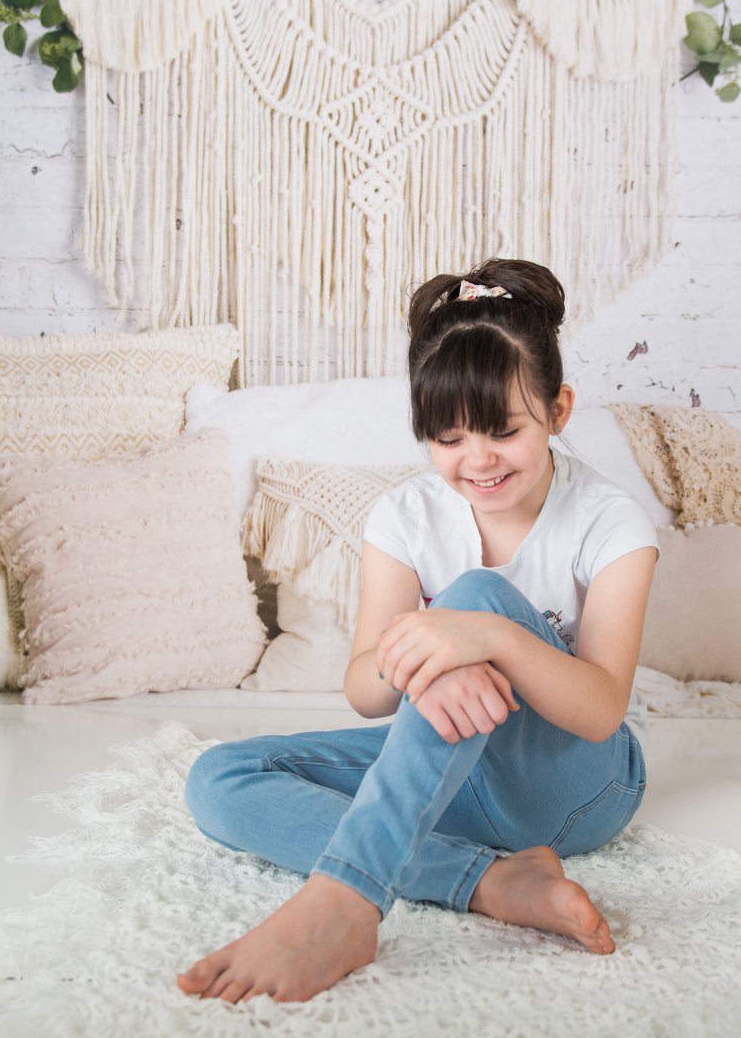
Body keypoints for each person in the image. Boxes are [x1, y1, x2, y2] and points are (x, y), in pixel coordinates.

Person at [176, 258, 659, 1004]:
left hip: (577, 786)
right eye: (448, 439)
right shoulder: (402, 516)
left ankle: (346, 902)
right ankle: (492, 882)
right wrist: (435, 658)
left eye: (503, 430)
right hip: (457, 770)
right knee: (220, 780)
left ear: (558, 410)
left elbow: (600, 710)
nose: (477, 460)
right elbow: (366, 691)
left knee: (475, 596)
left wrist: (484, 634)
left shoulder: (611, 521)